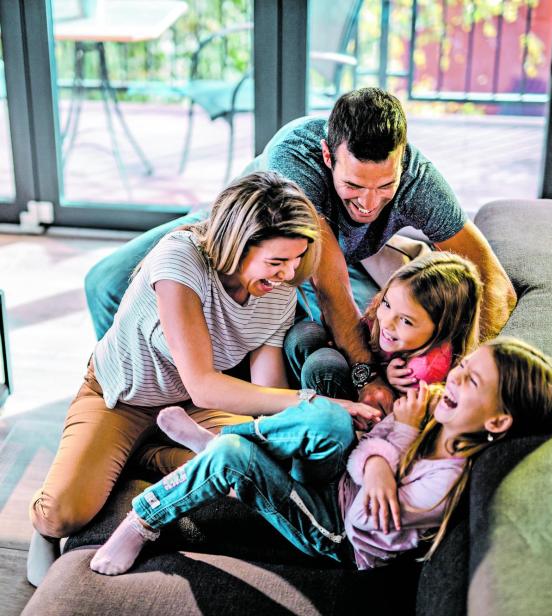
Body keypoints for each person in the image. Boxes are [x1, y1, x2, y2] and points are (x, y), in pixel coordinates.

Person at [27, 171, 380, 586]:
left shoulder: (278, 288)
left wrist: (286, 427)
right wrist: (317, 403)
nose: (288, 274)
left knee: (260, 468)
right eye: (277, 261)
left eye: (297, 260)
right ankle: (61, 509)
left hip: (197, 408)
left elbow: (265, 391)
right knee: (63, 513)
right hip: (123, 397)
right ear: (237, 244)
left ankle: (148, 451)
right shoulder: (180, 259)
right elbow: (203, 382)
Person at [84, 87, 517, 414]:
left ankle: (204, 397)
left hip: (323, 261)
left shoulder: (421, 181)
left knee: (392, 328)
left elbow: (494, 281)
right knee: (103, 283)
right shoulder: (295, 158)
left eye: (385, 186)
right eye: (353, 187)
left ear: (402, 160)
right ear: (329, 156)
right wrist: (366, 377)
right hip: (237, 231)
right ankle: (139, 405)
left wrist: (464, 367)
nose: (368, 204)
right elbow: (328, 286)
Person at [89, 337, 552, 575]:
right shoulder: (433, 419)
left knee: (234, 455)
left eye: (472, 383)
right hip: (339, 483)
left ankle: (143, 519)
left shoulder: (443, 485)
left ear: (498, 422)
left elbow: (364, 520)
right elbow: (364, 459)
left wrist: (392, 440)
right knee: (328, 420)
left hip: (334, 530)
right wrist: (380, 448)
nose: (455, 380)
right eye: (463, 368)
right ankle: (227, 445)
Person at [286, 251, 483, 399]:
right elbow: (364, 330)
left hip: (372, 418)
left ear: (444, 328)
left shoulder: (425, 370)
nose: (387, 322)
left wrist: (389, 382)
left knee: (322, 366)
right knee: (304, 334)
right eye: (387, 304)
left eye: (406, 320)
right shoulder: (384, 321)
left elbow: (401, 418)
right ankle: (294, 402)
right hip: (364, 374)